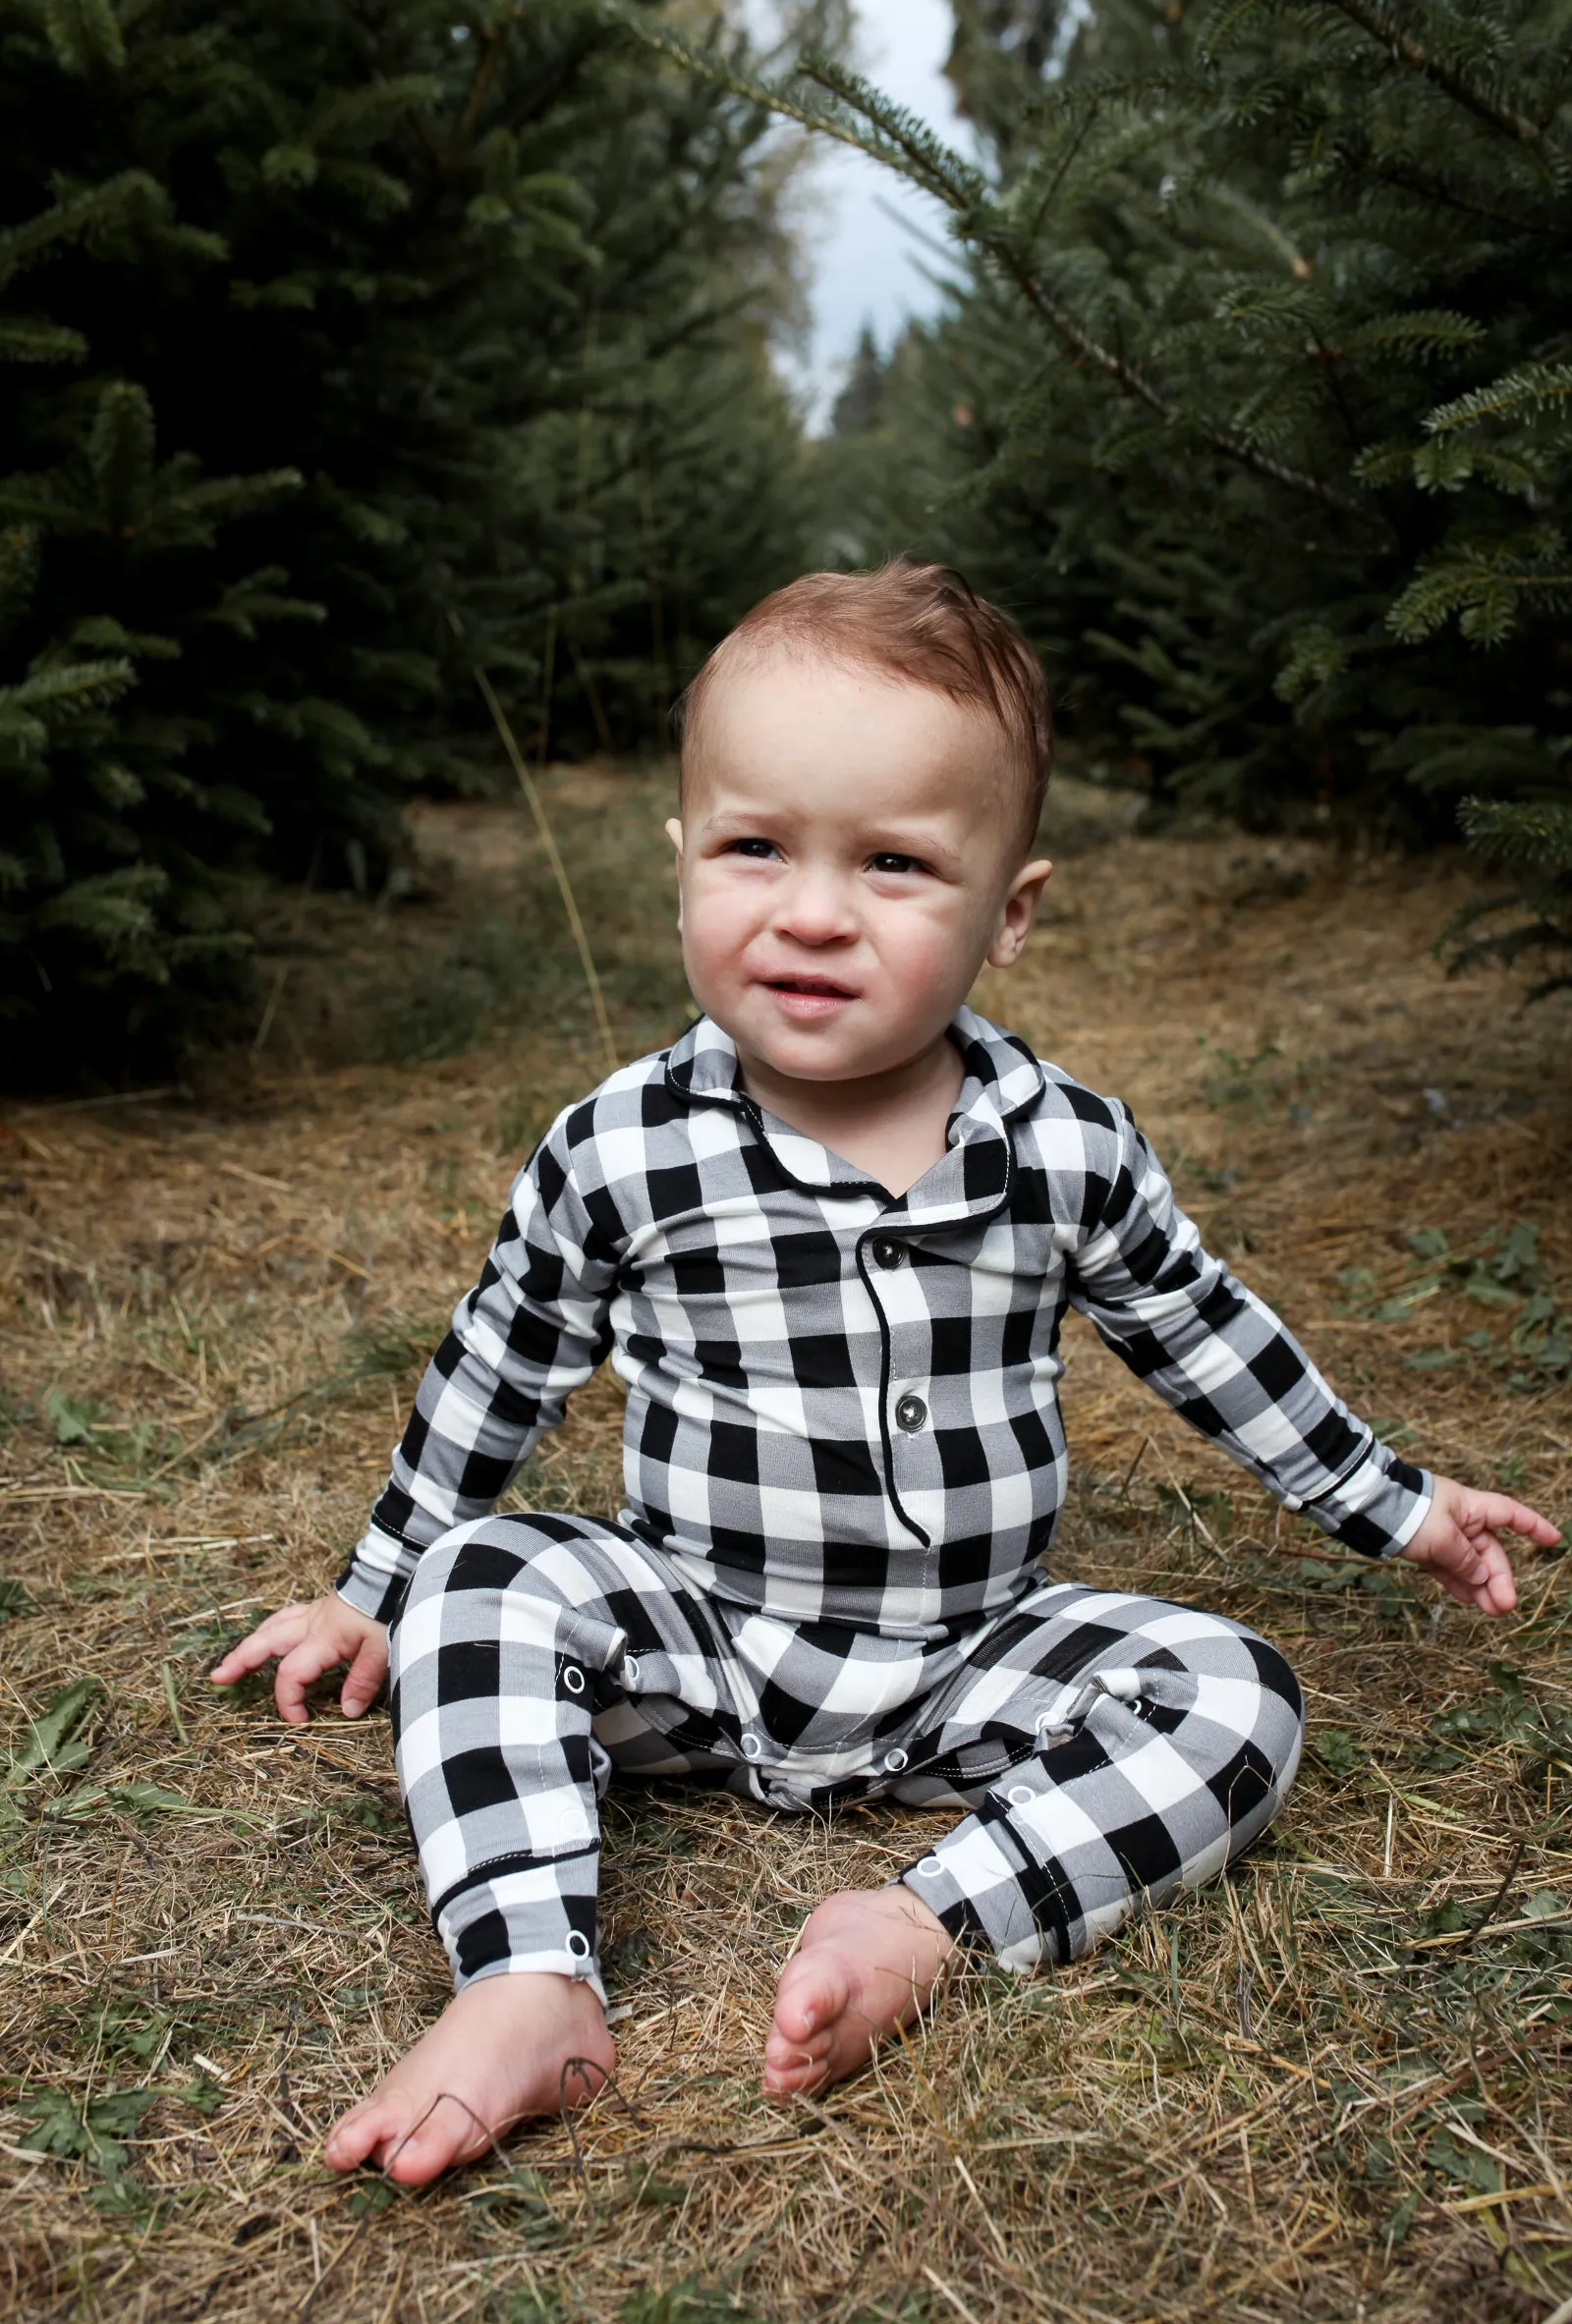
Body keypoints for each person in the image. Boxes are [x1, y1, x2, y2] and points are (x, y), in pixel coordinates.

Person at [212, 560, 1560, 2188]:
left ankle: (930, 1919)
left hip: (968, 1667)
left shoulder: (1061, 1148)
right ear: (682, 862)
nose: (813, 911)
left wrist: (1395, 1504)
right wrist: (372, 1589)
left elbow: (1205, 1333)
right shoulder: (626, 1148)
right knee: (484, 1584)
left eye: (898, 864)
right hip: (693, 1642)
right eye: (756, 847)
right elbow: (499, 1365)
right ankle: (529, 1977)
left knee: (1238, 1698)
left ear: (1013, 909)